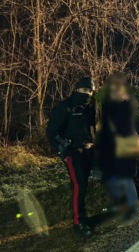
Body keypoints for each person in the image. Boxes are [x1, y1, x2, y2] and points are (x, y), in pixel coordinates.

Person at [46, 77, 96, 237]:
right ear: (76, 90)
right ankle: (78, 223)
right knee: (78, 187)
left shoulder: (90, 107)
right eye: (84, 90)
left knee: (84, 186)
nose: (87, 93)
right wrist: (62, 147)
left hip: (87, 151)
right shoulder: (64, 107)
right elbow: (52, 132)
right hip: (72, 153)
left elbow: (91, 129)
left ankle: (83, 217)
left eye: (90, 91)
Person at [97, 74, 139, 222]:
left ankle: (132, 206)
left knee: (126, 179)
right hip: (113, 150)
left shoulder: (127, 106)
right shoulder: (112, 106)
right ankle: (117, 204)